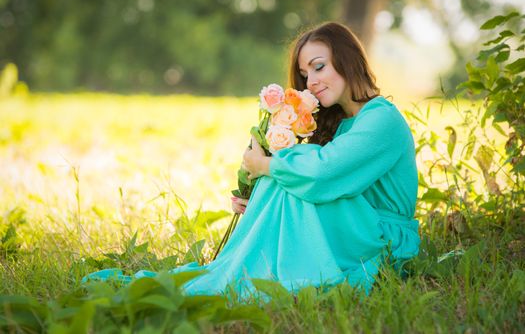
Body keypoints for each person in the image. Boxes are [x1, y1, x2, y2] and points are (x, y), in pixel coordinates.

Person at [84, 22, 420, 299]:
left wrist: (265, 166)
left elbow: (323, 174)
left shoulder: (381, 119)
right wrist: (258, 197)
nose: (311, 81)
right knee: (288, 169)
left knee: (297, 163)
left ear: (348, 59)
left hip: (381, 238)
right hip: (350, 224)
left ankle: (247, 273)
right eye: (305, 75)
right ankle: (240, 268)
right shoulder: (340, 121)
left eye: (319, 66)